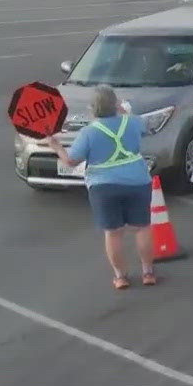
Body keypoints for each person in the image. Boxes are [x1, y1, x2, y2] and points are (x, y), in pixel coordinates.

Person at [49, 85, 156, 290]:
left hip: (103, 187)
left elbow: (71, 161)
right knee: (142, 227)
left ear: (93, 108)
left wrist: (56, 147)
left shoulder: (88, 133)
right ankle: (148, 272)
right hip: (138, 181)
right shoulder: (132, 122)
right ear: (115, 104)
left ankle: (121, 277)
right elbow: (145, 128)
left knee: (113, 232)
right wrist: (124, 111)